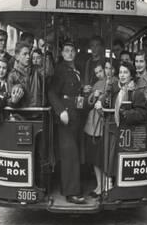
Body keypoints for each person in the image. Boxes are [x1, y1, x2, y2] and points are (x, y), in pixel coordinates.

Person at [48, 41, 86, 205]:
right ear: (62, 54)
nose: (70, 53)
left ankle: (73, 188)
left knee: (74, 152)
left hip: (76, 115)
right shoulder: (60, 70)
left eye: (72, 50)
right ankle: (71, 192)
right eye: (67, 51)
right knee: (70, 153)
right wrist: (60, 111)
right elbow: (51, 92)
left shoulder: (76, 69)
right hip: (66, 116)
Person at [84, 61, 116, 196]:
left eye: (101, 70)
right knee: (94, 157)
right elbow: (90, 101)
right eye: (96, 72)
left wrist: (99, 99)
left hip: (103, 124)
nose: (100, 74)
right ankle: (99, 185)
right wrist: (94, 95)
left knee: (101, 156)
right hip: (93, 125)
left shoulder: (113, 82)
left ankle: (106, 182)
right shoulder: (97, 84)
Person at [7, 42, 45, 108]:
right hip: (20, 116)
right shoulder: (12, 75)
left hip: (37, 113)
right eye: (25, 54)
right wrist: (13, 101)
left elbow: (48, 74)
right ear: (17, 57)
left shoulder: (37, 71)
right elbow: (8, 100)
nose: (28, 57)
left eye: (29, 54)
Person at [113, 62, 147, 127]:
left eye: (125, 72)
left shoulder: (137, 93)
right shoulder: (118, 91)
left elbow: (142, 114)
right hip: (117, 130)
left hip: (131, 131)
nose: (122, 75)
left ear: (131, 75)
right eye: (120, 72)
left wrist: (126, 113)